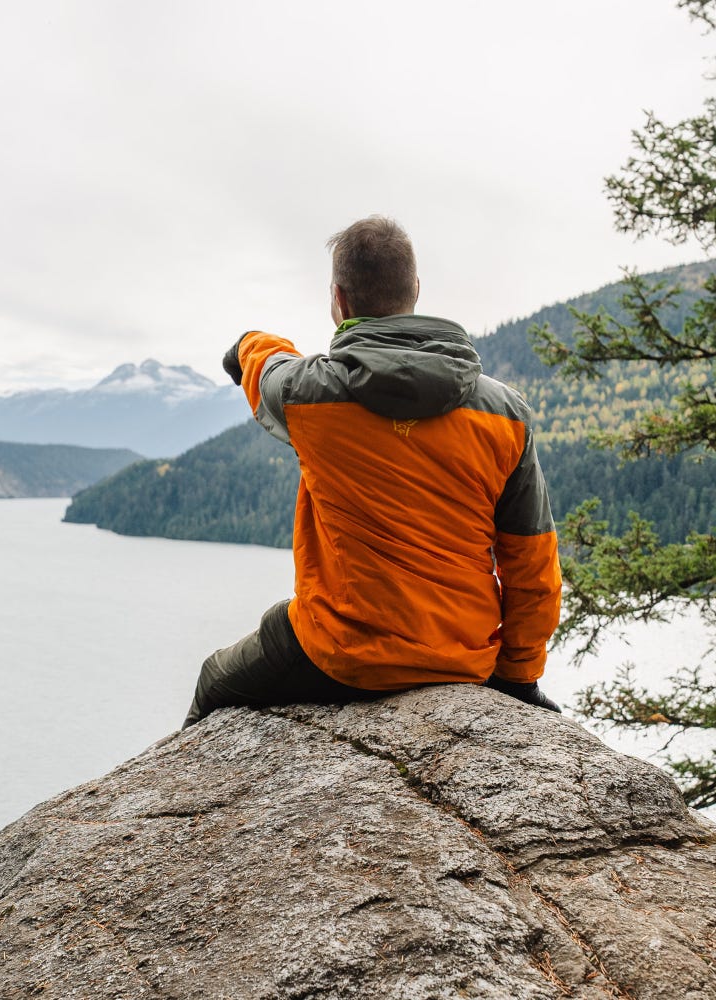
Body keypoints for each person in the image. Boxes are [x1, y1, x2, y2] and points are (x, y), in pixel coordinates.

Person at [183, 215, 563, 727]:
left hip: (340, 652)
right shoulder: (506, 414)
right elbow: (532, 562)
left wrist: (246, 344)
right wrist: (519, 676)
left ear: (339, 300)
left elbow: (268, 366)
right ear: (415, 290)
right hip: (463, 654)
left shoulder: (308, 394)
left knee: (215, 677)